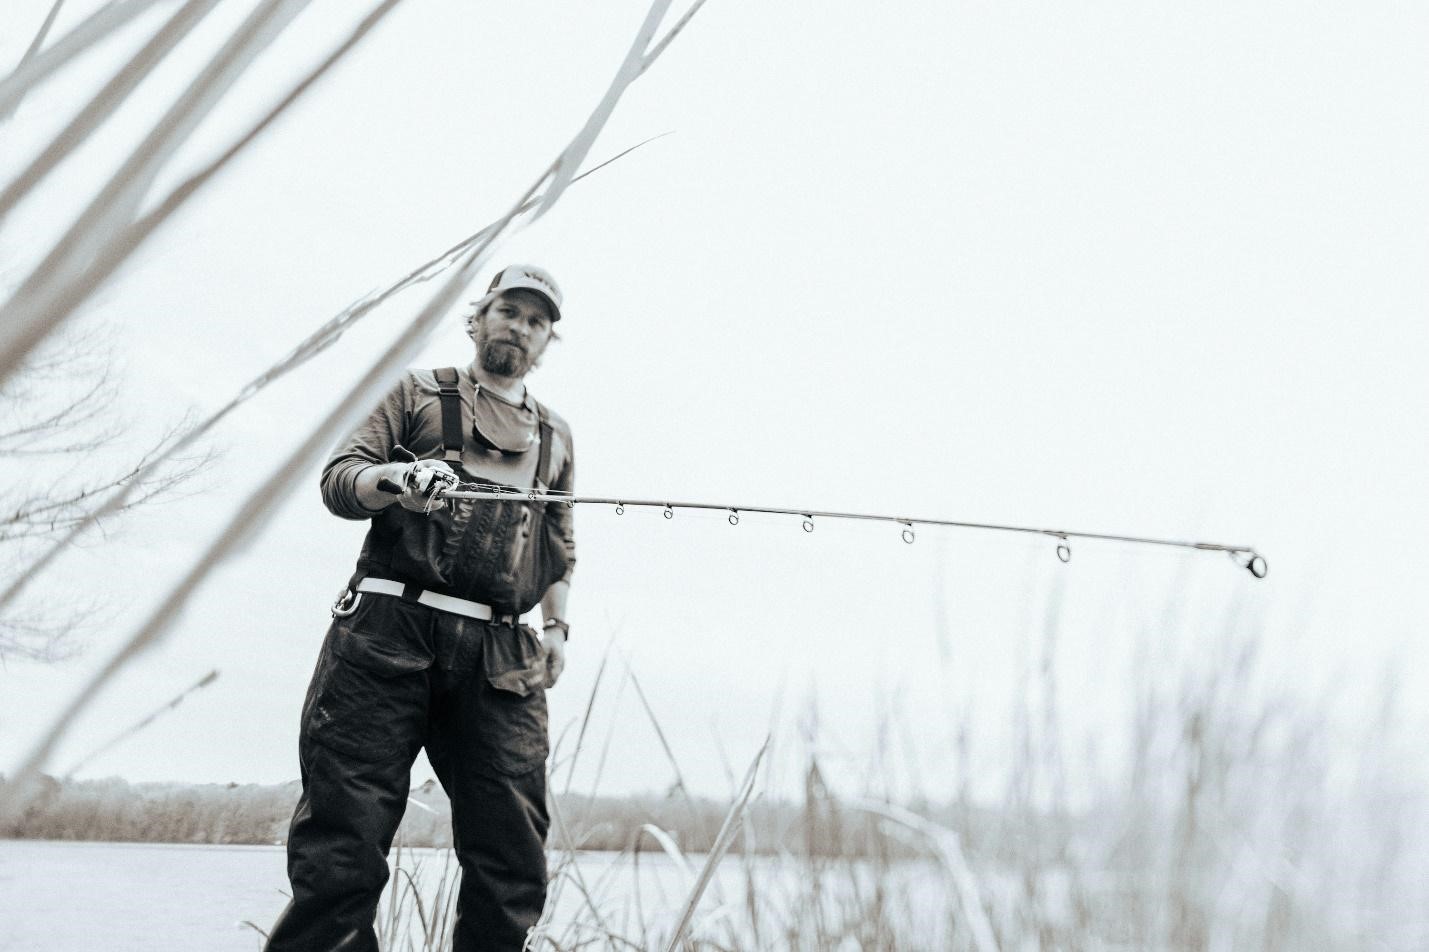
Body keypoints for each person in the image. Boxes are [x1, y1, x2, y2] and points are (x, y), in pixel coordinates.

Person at [264, 264, 575, 952]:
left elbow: (558, 542)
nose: (519, 328)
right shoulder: (415, 394)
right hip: (386, 634)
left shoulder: (556, 439)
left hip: (501, 656)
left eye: (535, 320)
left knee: (512, 860)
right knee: (341, 850)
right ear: (478, 317)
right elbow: (341, 480)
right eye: (508, 311)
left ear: (548, 339)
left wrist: (555, 626)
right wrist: (399, 479)